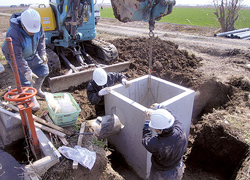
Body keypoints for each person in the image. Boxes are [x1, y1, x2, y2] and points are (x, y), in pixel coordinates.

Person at [1, 8, 49, 111]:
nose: (32, 33)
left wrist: (42, 53)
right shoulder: (14, 33)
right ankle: (31, 97)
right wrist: (27, 71)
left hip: (31, 52)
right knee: (25, 79)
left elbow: (40, 41)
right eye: (30, 31)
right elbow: (17, 56)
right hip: (14, 54)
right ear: (23, 25)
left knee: (44, 70)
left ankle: (37, 90)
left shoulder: (38, 26)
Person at [142, 107, 188, 180]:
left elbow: (145, 140)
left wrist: (147, 123)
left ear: (160, 131)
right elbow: (172, 118)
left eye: (155, 128)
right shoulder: (180, 129)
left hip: (162, 173)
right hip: (177, 165)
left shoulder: (157, 143)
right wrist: (161, 107)